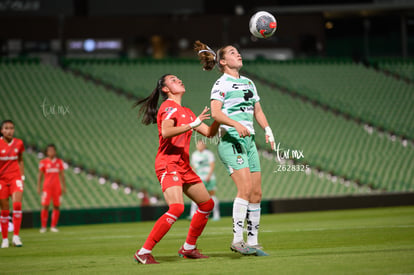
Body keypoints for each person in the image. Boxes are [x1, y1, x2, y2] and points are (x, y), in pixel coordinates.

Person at [194, 41, 276, 256]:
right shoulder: (221, 84)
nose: (238, 54)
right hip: (231, 141)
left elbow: (257, 110)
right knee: (245, 190)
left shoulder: (249, 82)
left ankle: (254, 241)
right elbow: (216, 113)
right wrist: (236, 124)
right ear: (222, 61)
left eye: (238, 52)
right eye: (232, 53)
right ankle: (237, 240)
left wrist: (267, 129)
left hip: (249, 141)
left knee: (256, 193)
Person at [133, 74, 219, 264]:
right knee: (177, 207)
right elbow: (166, 131)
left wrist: (220, 116)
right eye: (173, 80)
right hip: (168, 163)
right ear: (166, 89)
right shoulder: (168, 107)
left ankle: (188, 248)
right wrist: (192, 124)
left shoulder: (186, 111)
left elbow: (209, 133)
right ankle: (143, 252)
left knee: (206, 204)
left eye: (179, 78)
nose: (179, 80)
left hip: (183, 165)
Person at [0, 120, 25, 248]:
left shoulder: (19, 143)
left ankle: (15, 236)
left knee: (17, 205)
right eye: (6, 128)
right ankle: (4, 239)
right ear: (1, 130)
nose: (9, 130)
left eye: (11, 128)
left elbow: (20, 159)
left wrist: (22, 176)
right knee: (4, 211)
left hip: (15, 178)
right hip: (2, 180)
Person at [37, 144, 66, 233]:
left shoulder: (59, 162)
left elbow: (62, 175)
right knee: (45, 205)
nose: (51, 152)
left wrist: (64, 187)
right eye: (49, 150)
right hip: (47, 187)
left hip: (57, 187)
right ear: (47, 152)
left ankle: (53, 226)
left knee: (56, 206)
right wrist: (39, 187)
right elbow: (40, 175)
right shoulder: (43, 162)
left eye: (53, 150)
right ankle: (43, 226)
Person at [190, 139, 220, 221]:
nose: (199, 146)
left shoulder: (208, 154)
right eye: (198, 144)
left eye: (201, 144)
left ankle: (216, 215)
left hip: (209, 178)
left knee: (212, 195)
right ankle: (192, 214)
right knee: (195, 196)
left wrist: (209, 175)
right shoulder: (194, 154)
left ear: (204, 145)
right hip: (199, 178)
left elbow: (212, 165)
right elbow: (193, 167)